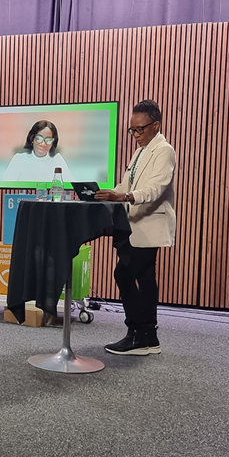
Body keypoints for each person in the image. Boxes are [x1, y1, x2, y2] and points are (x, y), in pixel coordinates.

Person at [95, 100, 176, 356]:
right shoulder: (140, 151)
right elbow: (125, 185)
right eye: (132, 130)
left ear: (156, 125)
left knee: (124, 274)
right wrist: (108, 193)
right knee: (145, 278)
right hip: (133, 224)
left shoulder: (164, 151)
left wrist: (126, 196)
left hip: (150, 224)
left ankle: (138, 333)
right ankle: (147, 337)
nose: (136, 135)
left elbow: (155, 189)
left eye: (140, 129)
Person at [2, 120, 74, 182]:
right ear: (32, 138)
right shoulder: (19, 159)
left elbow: (73, 187)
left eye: (48, 140)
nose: (43, 144)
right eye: (39, 138)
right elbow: (5, 187)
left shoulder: (57, 159)